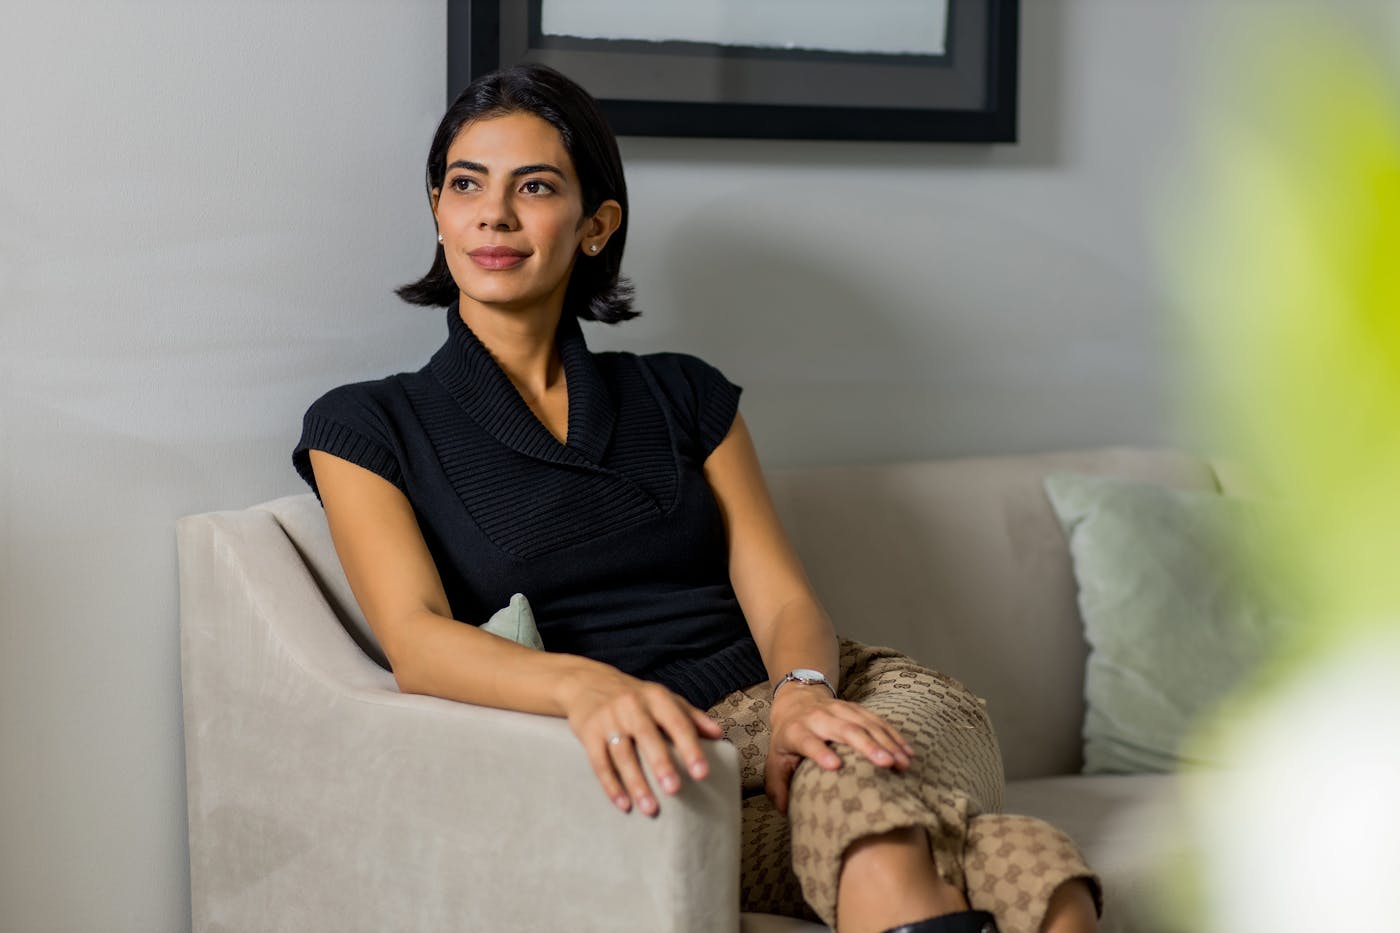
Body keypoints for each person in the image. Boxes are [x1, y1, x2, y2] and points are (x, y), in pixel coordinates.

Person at [293, 63, 1101, 933]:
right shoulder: (368, 423)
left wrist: (801, 692)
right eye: (465, 184)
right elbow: (416, 643)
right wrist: (586, 688)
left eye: (535, 186)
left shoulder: (683, 394)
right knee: (1028, 876)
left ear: (596, 225)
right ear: (439, 211)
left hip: (847, 698)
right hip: (665, 750)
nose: (494, 213)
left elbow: (784, 595)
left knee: (844, 772)